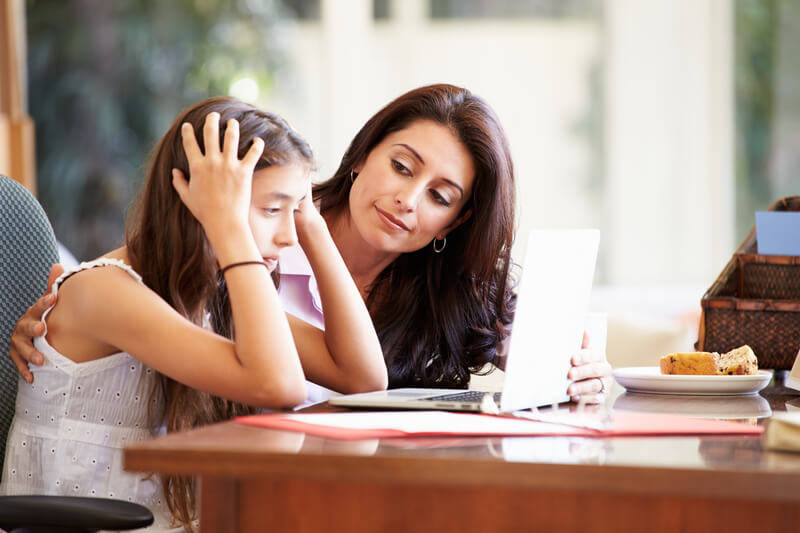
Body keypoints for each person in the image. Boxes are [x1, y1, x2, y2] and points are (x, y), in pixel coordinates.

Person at [11, 84, 610, 403]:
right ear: (364, 154)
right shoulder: (232, 274)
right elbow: (123, 277)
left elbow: (364, 378)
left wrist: (583, 371)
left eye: (441, 196)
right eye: (402, 167)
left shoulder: (247, 270)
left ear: (456, 221)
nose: (408, 200)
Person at [0, 97, 386, 532]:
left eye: (294, 211)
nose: (287, 235)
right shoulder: (104, 291)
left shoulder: (207, 296)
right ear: (198, 201)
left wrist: (311, 223)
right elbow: (278, 386)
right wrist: (230, 227)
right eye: (272, 209)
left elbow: (364, 379)